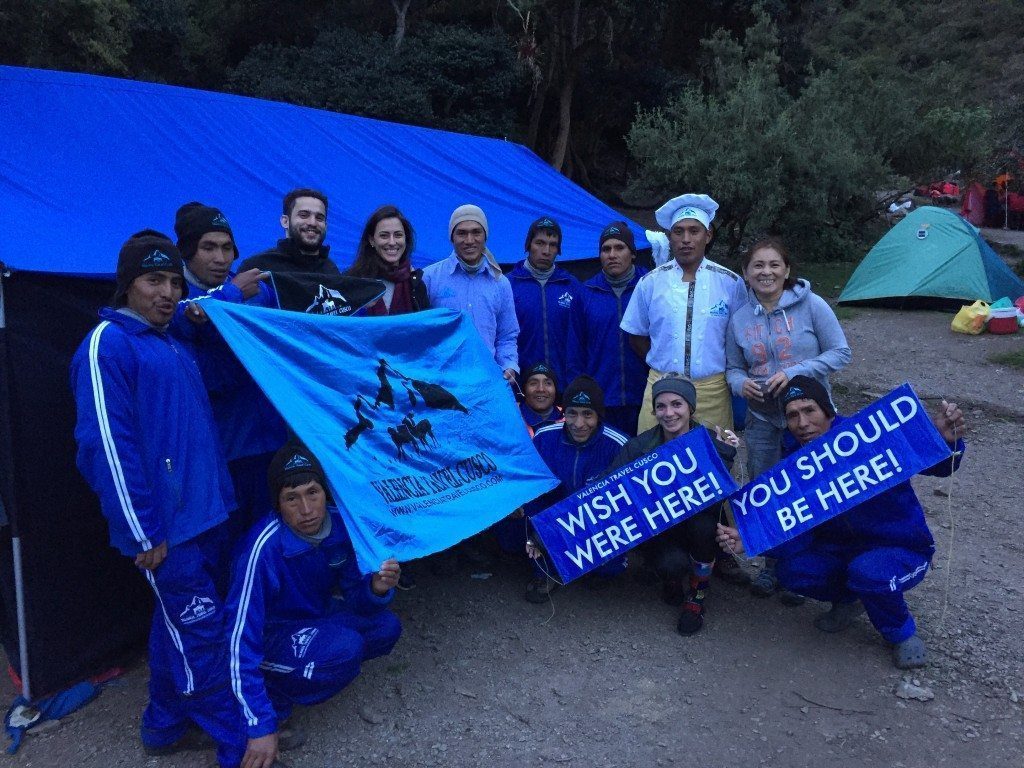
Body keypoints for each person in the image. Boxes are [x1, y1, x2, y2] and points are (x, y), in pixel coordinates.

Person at [70, 231, 246, 767]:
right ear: (128, 285)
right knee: (202, 633)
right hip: (167, 532)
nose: (167, 292)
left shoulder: (170, 341)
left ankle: (164, 727)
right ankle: (238, 742)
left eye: (173, 280)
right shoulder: (109, 344)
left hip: (206, 516)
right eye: (154, 280)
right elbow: (105, 445)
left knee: (178, 627)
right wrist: (143, 531)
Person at [715, 376, 966, 669]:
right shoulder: (795, 463)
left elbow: (936, 465)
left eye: (809, 410)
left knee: (869, 572)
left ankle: (901, 633)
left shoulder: (870, 436)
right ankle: (849, 601)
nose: (802, 422)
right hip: (840, 551)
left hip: (900, 546)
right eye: (793, 415)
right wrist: (753, 540)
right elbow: (794, 526)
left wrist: (946, 440)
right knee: (792, 571)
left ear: (828, 410)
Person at [227, 443, 402, 768]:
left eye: (313, 493)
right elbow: (238, 639)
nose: (306, 509)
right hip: (272, 634)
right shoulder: (263, 548)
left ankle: (305, 670)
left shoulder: (339, 525)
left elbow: (355, 597)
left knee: (386, 627)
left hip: (315, 617)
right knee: (344, 650)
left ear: (326, 492)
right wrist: (260, 726)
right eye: (292, 498)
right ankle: (273, 705)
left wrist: (375, 588)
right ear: (277, 504)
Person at [725, 237, 851, 603]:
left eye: (774, 265)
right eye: (757, 266)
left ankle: (809, 565)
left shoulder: (812, 305)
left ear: (787, 270)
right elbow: (733, 367)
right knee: (767, 489)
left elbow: (841, 352)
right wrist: (740, 384)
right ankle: (772, 565)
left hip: (810, 415)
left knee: (811, 488)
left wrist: (798, 370)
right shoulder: (739, 318)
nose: (766, 272)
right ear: (746, 275)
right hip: (763, 417)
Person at [174, 202, 287, 537]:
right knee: (232, 544)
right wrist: (230, 294)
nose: (220, 258)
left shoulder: (257, 292)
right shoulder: (177, 293)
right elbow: (179, 318)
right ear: (188, 251)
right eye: (208, 247)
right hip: (223, 448)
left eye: (226, 248)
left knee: (271, 538)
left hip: (271, 440)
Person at [607, 374, 736, 635]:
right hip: (660, 532)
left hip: (701, 527)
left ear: (691, 408)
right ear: (654, 411)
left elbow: (719, 489)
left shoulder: (712, 441)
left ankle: (698, 595)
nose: (669, 413)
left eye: (677, 404)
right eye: (661, 406)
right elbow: (606, 488)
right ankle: (672, 579)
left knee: (703, 524)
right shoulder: (639, 447)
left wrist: (727, 453)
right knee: (671, 564)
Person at [620, 193, 745, 437]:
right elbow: (636, 335)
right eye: (678, 232)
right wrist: (663, 366)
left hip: (711, 391)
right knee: (652, 460)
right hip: (660, 389)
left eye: (694, 231)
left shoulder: (730, 283)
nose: (686, 239)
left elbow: (740, 337)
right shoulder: (651, 282)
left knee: (712, 462)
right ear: (670, 237)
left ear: (707, 235)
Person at [524, 376, 629, 602]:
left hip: (597, 519)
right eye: (572, 413)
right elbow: (529, 485)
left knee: (609, 569)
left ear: (599, 416)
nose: (579, 424)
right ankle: (546, 570)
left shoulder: (619, 444)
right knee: (514, 532)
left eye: (587, 414)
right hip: (553, 514)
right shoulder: (544, 437)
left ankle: (596, 564)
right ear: (564, 412)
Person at [566, 221, 648, 437]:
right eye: (606, 249)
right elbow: (575, 352)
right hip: (602, 399)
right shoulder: (585, 293)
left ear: (633, 253)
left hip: (646, 396)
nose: (612, 254)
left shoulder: (650, 286)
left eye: (619, 248)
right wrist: (580, 394)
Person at [423, 204, 519, 381]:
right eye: (462, 233)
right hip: (442, 381)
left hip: (487, 380)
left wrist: (508, 366)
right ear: (452, 237)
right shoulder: (429, 278)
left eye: (476, 232)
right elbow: (421, 332)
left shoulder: (500, 283)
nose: (469, 240)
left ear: (485, 236)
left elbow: (507, 335)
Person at [508, 216, 582, 387]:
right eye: (540, 243)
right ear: (528, 245)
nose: (546, 250)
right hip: (520, 383)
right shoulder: (508, 285)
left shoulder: (572, 286)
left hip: (563, 383)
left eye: (553, 245)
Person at [345, 205, 429, 315]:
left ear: (406, 239)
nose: (392, 242)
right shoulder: (351, 281)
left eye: (398, 235)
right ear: (371, 240)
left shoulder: (416, 285)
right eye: (384, 236)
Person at [239, 188, 338, 276]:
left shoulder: (332, 271)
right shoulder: (257, 268)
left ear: (326, 225)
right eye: (304, 215)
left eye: (319, 218)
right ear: (285, 221)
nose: (312, 222)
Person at [518, 362, 563, 436]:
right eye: (533, 383)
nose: (541, 389)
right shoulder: (513, 417)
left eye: (548, 383)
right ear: (524, 389)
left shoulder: (568, 417)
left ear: (555, 390)